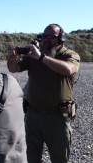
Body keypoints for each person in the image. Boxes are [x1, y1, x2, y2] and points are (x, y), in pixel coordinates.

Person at [7, 23, 80, 163]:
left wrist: (41, 57)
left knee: (59, 158)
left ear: (61, 38)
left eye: (50, 37)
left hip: (57, 117)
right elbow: (13, 68)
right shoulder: (35, 56)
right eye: (44, 36)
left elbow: (68, 69)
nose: (46, 40)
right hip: (33, 115)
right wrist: (12, 57)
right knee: (30, 157)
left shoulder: (69, 55)